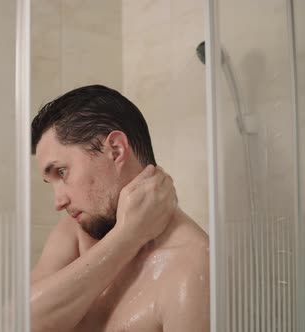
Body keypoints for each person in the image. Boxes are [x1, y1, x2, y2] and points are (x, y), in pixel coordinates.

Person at [30, 85, 209, 332]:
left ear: (115, 150)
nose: (58, 202)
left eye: (62, 171)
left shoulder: (193, 267)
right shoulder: (75, 233)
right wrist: (127, 236)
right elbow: (17, 321)